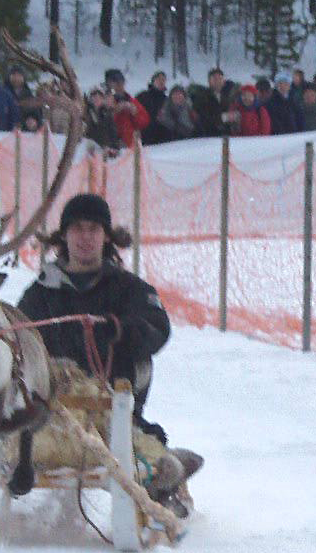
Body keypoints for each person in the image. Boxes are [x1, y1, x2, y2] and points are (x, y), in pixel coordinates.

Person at [17, 193, 201, 511]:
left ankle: (165, 474)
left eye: (93, 229)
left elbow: (158, 329)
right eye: (77, 229)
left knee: (140, 449)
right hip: (53, 410)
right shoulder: (39, 294)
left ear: (106, 237)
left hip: (114, 406)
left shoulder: (129, 289)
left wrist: (120, 329)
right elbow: (19, 342)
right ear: (64, 236)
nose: (85, 237)